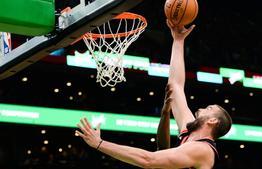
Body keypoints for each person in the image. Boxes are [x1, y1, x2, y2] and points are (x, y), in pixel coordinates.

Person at [76, 20, 232, 169]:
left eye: (209, 108)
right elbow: (176, 86)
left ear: (212, 121)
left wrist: (99, 144)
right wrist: (178, 40)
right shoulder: (190, 132)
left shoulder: (203, 149)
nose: (203, 107)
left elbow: (148, 160)